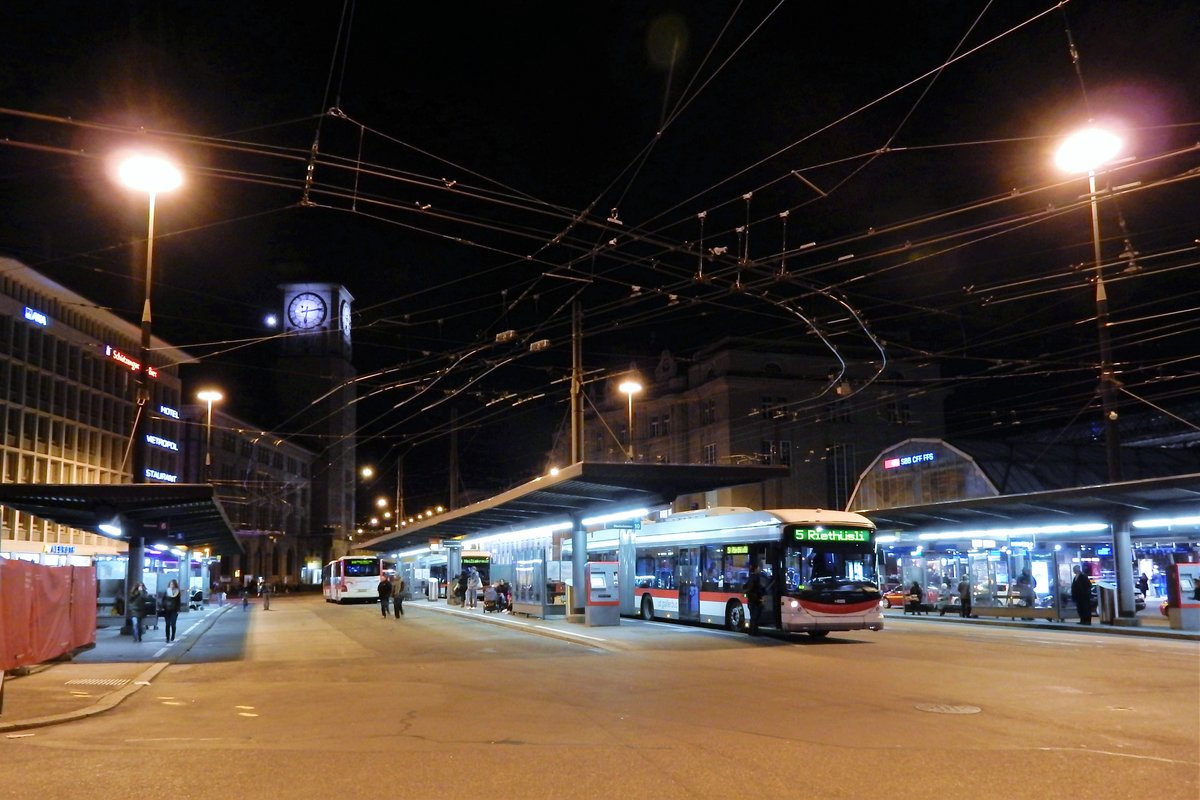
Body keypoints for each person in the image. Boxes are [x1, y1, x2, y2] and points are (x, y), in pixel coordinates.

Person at [743, 562, 766, 635]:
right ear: (756, 569)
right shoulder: (756, 577)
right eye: (758, 567)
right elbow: (755, 589)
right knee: (755, 617)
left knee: (753, 616)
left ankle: (751, 631)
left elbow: (745, 587)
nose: (759, 569)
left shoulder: (751, 577)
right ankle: (754, 632)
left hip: (751, 601)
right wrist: (759, 599)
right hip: (755, 601)